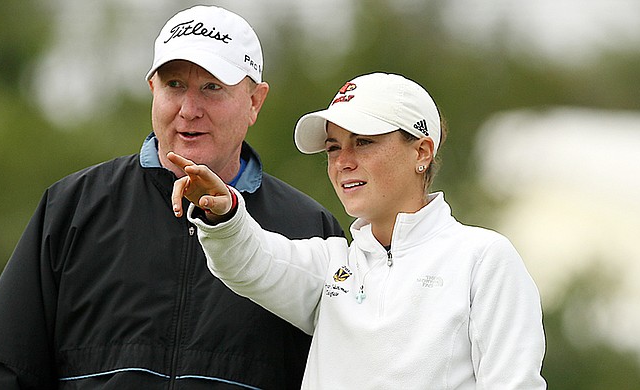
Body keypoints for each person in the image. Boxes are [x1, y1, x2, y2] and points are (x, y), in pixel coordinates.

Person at [0, 5, 344, 389]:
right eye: (174, 85)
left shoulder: (308, 230)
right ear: (152, 90)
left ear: (254, 101)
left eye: (212, 88)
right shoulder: (73, 208)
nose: (189, 110)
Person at [169, 72, 547, 389]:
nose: (343, 162)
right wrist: (224, 212)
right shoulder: (331, 265)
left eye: (364, 142)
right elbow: (248, 260)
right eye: (334, 148)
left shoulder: (482, 259)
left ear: (422, 152)